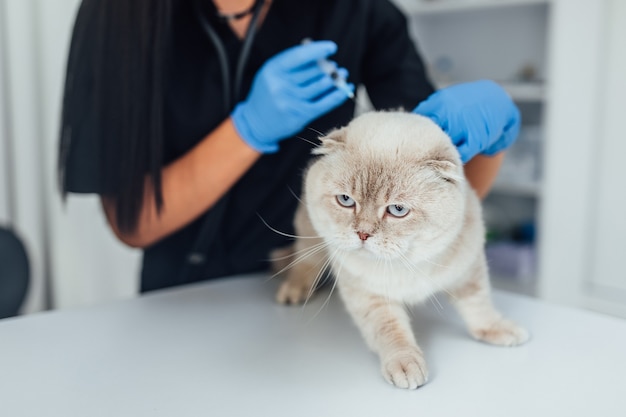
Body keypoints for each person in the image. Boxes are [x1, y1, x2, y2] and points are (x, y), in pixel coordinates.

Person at [58, 0, 520, 293]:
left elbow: (432, 209)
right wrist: (248, 130)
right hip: (182, 297)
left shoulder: (357, 11)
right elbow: (132, 224)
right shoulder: (120, 14)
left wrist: (494, 138)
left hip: (323, 288)